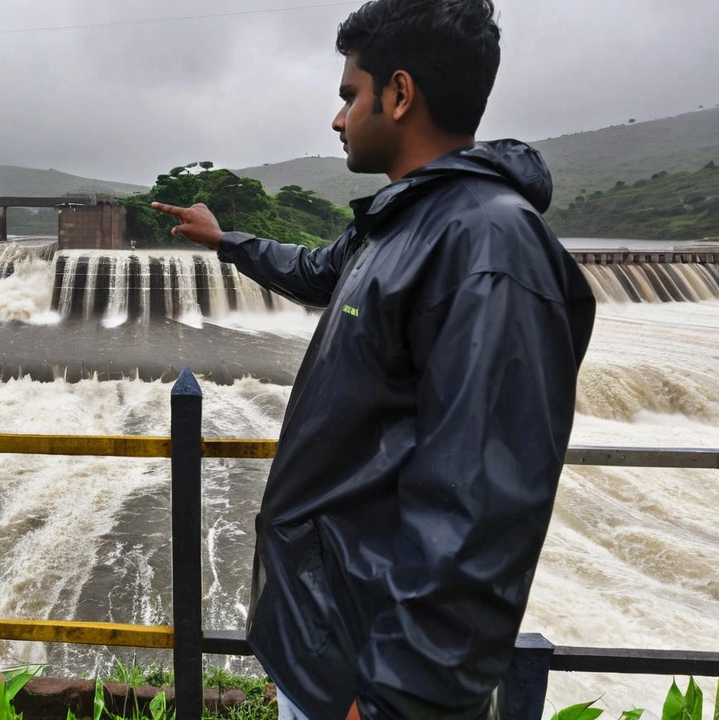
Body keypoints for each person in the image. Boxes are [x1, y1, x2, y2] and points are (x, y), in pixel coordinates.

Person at [151, 1, 596, 718]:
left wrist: (399, 697)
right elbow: (313, 270)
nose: (337, 119)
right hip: (339, 642)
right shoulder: (402, 224)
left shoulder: (487, 248)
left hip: (378, 676)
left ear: (399, 93)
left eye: (348, 96)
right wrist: (224, 239)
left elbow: (480, 507)